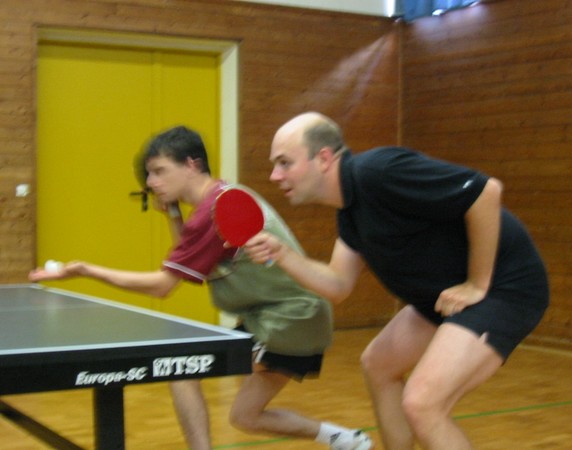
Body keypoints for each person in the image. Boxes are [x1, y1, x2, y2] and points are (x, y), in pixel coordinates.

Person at [29, 126, 373, 450]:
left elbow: (163, 286)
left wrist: (86, 270)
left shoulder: (216, 209)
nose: (151, 182)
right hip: (291, 316)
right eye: (149, 174)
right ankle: (343, 438)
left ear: (192, 164)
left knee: (180, 365)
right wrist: (173, 215)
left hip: (289, 320)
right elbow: (191, 257)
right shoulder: (221, 199)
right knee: (246, 417)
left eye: (159, 171)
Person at [245, 112, 550, 450]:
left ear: (324, 158)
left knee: (422, 404)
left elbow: (485, 191)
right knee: (378, 364)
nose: (275, 175)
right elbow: (338, 285)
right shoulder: (349, 212)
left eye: (285, 163)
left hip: (503, 289)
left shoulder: (379, 172)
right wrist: (283, 254)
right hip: (441, 298)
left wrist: (477, 283)